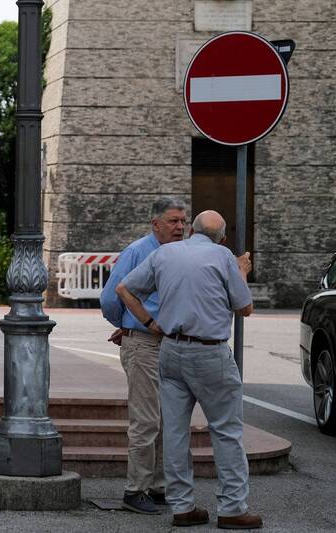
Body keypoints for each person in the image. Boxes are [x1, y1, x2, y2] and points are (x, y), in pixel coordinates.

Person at [115, 210, 263, 529]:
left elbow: (124, 290)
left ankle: (182, 507)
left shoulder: (164, 253)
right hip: (209, 352)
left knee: (175, 431)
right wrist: (241, 271)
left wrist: (151, 323)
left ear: (192, 229)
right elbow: (245, 308)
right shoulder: (223, 257)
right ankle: (233, 508)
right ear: (222, 238)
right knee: (226, 430)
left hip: (170, 349)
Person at [99, 197, 188, 514]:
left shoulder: (179, 253)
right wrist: (127, 324)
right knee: (146, 420)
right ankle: (134, 490)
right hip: (145, 344)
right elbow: (111, 297)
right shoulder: (138, 251)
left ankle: (157, 487)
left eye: (183, 221)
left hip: (169, 344)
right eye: (173, 221)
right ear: (156, 224)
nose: (180, 227)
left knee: (167, 419)